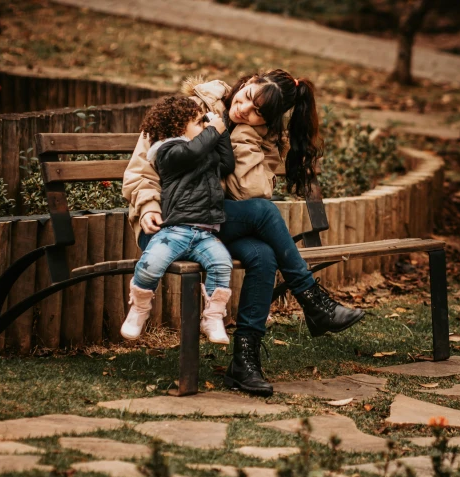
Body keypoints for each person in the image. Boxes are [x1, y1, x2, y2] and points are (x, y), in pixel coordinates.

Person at [123, 71, 365, 397]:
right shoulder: (191, 109)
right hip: (170, 223)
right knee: (265, 215)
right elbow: (142, 169)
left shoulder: (261, 137)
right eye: (248, 96)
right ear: (249, 79)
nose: (245, 110)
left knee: (263, 256)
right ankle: (311, 299)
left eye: (258, 113)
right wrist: (149, 205)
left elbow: (248, 191)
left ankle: (244, 362)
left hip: (213, 225)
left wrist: (244, 136)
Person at [121, 96, 235, 346]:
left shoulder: (202, 152)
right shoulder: (168, 151)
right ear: (178, 127)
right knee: (150, 264)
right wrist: (214, 130)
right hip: (174, 231)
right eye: (198, 122)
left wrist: (221, 131)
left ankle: (213, 317)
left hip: (205, 232)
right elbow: (192, 151)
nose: (204, 127)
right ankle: (139, 310)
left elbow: (227, 163)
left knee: (222, 264)